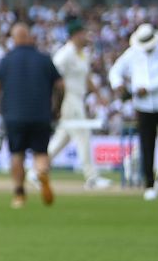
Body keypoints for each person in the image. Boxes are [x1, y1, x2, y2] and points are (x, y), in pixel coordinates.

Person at [0, 22, 63, 209]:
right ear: (29, 37)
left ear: (14, 39)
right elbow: (61, 86)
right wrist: (56, 107)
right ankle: (42, 172)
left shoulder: (6, 60)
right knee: (41, 152)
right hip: (41, 114)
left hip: (14, 115)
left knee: (17, 155)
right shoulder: (44, 59)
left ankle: (19, 194)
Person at [107, 23, 158, 199]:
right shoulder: (133, 53)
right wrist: (119, 85)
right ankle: (150, 185)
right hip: (143, 106)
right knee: (147, 145)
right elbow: (115, 70)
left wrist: (148, 88)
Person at [42, 20, 111, 191]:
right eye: (82, 33)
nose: (85, 36)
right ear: (74, 35)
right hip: (68, 99)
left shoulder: (82, 54)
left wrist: (99, 95)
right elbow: (52, 77)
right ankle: (91, 178)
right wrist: (54, 103)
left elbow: (87, 78)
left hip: (78, 98)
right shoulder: (64, 54)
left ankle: (38, 170)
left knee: (62, 138)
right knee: (83, 135)